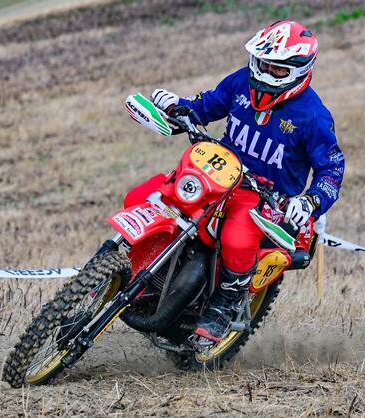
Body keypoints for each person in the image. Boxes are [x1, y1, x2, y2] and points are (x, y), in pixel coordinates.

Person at [147, 20, 344, 342]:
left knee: (238, 238)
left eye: (278, 69)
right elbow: (207, 106)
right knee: (153, 193)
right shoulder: (241, 81)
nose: (267, 71)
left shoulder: (313, 117)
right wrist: (177, 105)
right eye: (264, 63)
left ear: (299, 69)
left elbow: (332, 169)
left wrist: (309, 201)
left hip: (265, 196)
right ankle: (134, 271)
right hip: (217, 173)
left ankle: (225, 304)